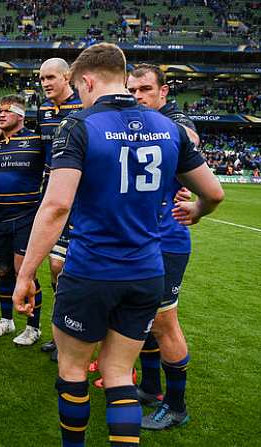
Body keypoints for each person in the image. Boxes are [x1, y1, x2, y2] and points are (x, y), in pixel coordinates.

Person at [12, 43, 223, 447]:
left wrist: (26, 273)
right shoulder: (170, 128)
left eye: (78, 88)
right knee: (119, 375)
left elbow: (56, 206)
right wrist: (196, 211)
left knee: (73, 371)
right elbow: (213, 192)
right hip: (147, 272)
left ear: (87, 81)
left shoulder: (79, 126)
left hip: (92, 270)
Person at [127, 63, 200, 430]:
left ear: (163, 92)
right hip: (140, 238)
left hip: (168, 239)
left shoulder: (174, 119)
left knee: (163, 321)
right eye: (132, 91)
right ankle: (151, 387)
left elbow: (190, 139)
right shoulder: (135, 123)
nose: (138, 97)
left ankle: (176, 405)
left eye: (144, 90)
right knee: (141, 316)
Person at [0, 95, 45, 346]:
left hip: (25, 214)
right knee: (2, 270)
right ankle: (6, 320)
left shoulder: (37, 141)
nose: (1, 115)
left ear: (20, 115)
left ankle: (33, 326)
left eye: (7, 111)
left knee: (24, 271)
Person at [36, 58, 84, 359]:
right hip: (51, 192)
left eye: (51, 77)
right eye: (41, 79)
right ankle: (61, 330)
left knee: (70, 267)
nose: (45, 83)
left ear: (68, 76)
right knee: (55, 267)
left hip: (80, 196)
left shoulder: (84, 106)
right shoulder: (43, 111)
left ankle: (76, 331)